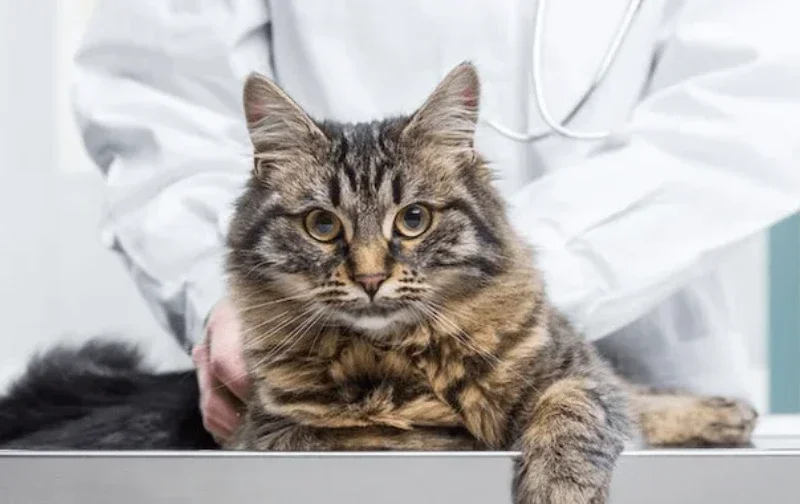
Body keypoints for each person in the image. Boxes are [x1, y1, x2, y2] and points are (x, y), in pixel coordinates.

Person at [72, 0, 800, 442]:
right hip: (323, 375)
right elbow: (160, 101)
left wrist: (498, 303)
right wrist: (224, 297)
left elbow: (753, 109)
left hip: (648, 367)